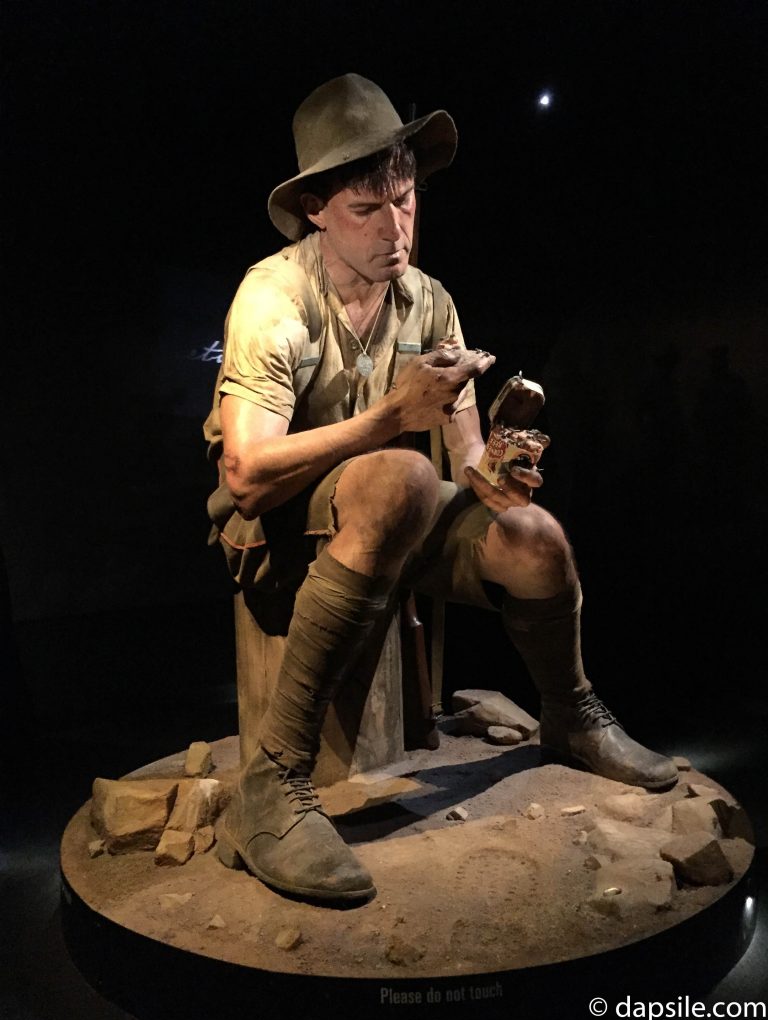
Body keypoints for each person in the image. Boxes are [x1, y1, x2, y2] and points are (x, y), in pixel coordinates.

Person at [203, 73, 677, 904]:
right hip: (281, 532)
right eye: (367, 209)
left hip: (397, 516)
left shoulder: (428, 301)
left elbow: (465, 469)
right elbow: (245, 478)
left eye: (407, 200)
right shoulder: (274, 298)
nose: (397, 228)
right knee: (398, 474)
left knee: (537, 538)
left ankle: (570, 715)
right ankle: (274, 786)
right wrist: (391, 416)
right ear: (316, 208)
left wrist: (502, 469)